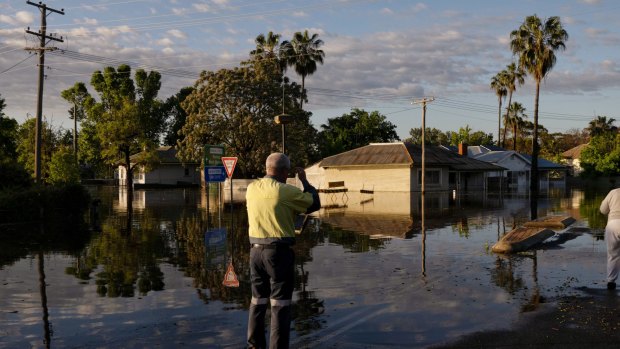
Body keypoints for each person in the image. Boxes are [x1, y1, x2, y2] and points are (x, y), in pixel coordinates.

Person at [246, 153, 321, 349]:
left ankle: (254, 344)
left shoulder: (251, 189)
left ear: (267, 167)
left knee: (258, 300)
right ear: (285, 172)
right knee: (280, 305)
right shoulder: (286, 191)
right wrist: (304, 181)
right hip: (278, 254)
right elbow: (314, 203)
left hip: (255, 253)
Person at [600, 187, 620, 291]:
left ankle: (611, 282)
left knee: (613, 254)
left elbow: (603, 210)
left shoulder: (613, 192)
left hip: (613, 224)